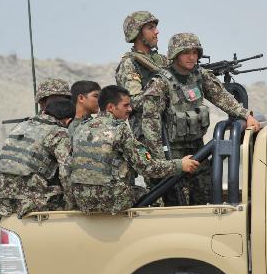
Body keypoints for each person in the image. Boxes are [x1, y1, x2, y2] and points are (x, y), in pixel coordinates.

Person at [140, 33, 260, 206]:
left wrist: (245, 115)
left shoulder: (200, 75)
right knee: (176, 204)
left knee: (205, 197)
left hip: (197, 149)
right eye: (186, 52)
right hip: (171, 154)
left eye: (195, 52)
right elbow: (150, 123)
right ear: (175, 54)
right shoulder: (160, 83)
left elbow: (221, 97)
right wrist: (164, 163)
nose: (192, 57)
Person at [69, 85, 199, 214]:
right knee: (154, 197)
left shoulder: (81, 128)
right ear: (110, 108)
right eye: (126, 105)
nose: (130, 109)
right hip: (111, 200)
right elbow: (147, 168)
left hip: (82, 200)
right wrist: (180, 164)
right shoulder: (119, 129)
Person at [0, 96, 75, 220]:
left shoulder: (20, 126)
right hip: (29, 203)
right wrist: (71, 203)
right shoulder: (59, 132)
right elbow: (65, 172)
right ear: (68, 121)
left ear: (44, 112)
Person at [115, 11, 168, 139]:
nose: (156, 32)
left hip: (171, 130)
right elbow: (134, 102)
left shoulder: (162, 60)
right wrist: (163, 90)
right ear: (137, 33)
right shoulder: (130, 63)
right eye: (150, 28)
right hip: (149, 135)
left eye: (155, 27)